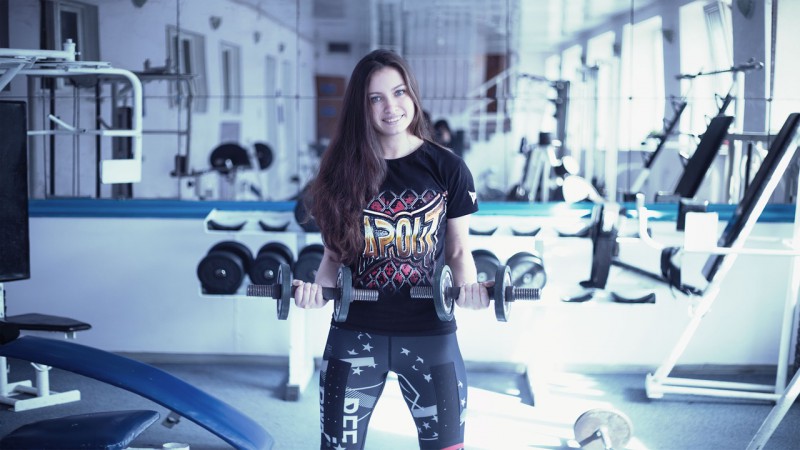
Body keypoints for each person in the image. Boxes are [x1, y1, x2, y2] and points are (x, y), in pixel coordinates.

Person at [293, 49, 490, 450]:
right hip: (355, 332)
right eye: (375, 98)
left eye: (399, 92)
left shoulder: (447, 168)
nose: (391, 107)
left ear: (413, 95)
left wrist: (468, 290)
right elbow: (332, 257)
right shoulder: (339, 172)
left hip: (430, 332)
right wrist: (315, 292)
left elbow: (457, 251)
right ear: (360, 108)